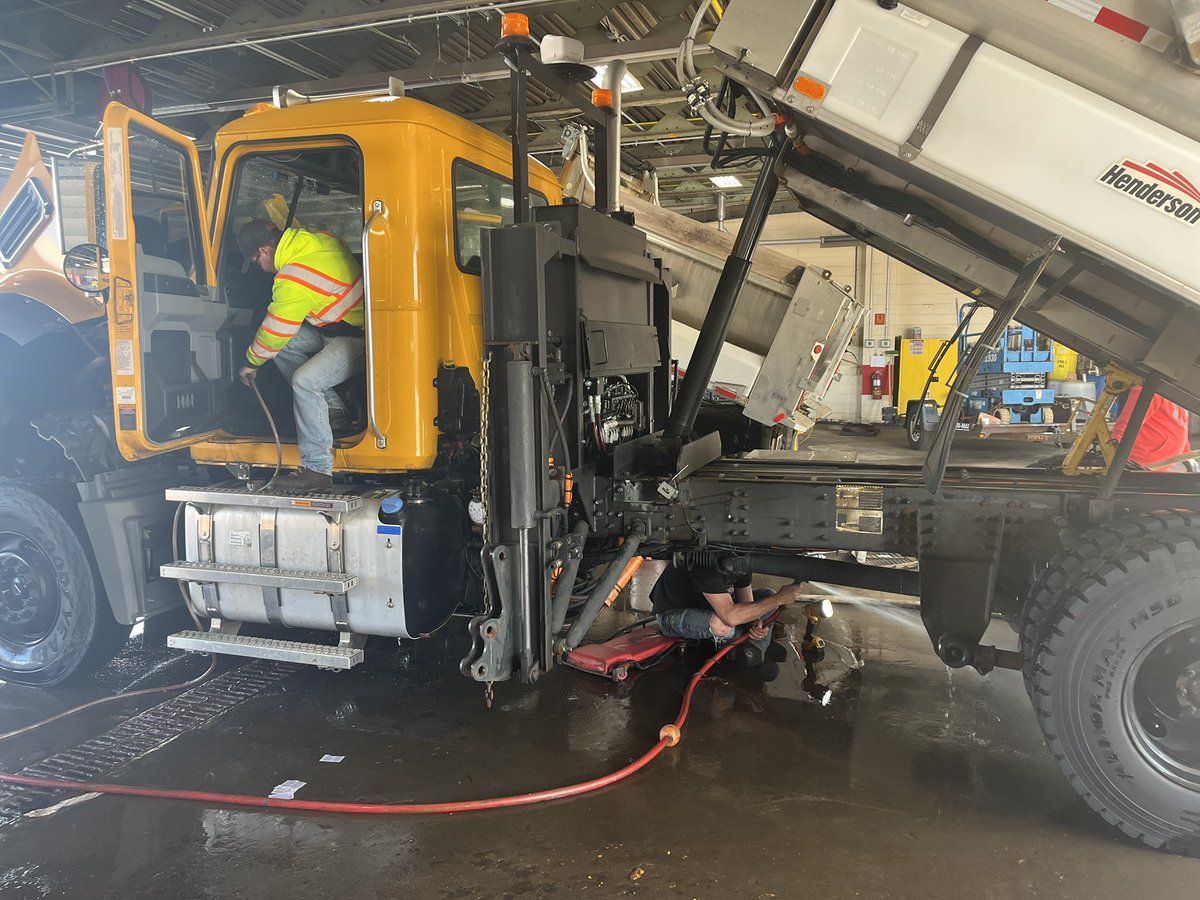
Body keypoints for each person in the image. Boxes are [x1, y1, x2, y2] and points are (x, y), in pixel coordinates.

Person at [236, 219, 365, 491]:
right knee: (284, 346)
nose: (261, 269)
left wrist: (251, 362)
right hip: (341, 328)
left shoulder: (293, 276)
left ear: (263, 252)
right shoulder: (319, 239)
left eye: (257, 262)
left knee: (305, 382)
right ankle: (332, 408)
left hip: (361, 340)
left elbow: (276, 329)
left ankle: (317, 470)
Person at [650, 561, 806, 668]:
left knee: (767, 594)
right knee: (722, 625)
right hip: (672, 614)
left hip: (711, 607)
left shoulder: (741, 560)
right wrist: (778, 599)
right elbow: (730, 616)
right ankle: (747, 645)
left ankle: (750, 643)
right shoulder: (704, 560)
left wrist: (755, 624)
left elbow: (747, 603)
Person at [1111, 386, 1191, 472]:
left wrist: (1186, 452)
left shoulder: (1177, 392)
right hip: (1145, 465)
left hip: (1163, 464)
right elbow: (1126, 425)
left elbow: (1181, 424)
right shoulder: (1148, 392)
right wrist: (1114, 457)